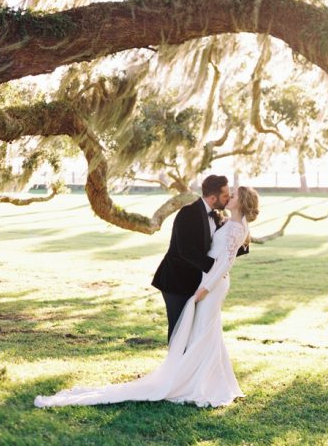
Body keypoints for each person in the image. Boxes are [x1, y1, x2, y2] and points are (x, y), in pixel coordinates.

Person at [35, 186, 259, 409]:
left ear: (242, 202)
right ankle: (207, 378)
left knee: (204, 331)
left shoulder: (237, 228)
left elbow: (226, 263)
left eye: (235, 195)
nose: (230, 197)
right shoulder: (229, 223)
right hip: (206, 281)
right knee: (205, 330)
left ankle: (202, 382)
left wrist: (206, 289)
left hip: (213, 285)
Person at [152, 174, 248, 341]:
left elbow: (224, 246)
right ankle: (176, 366)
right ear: (212, 197)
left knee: (194, 331)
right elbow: (185, 251)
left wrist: (243, 240)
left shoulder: (217, 215)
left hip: (197, 281)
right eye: (225, 195)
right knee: (179, 330)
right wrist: (216, 267)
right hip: (176, 282)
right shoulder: (188, 213)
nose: (228, 198)